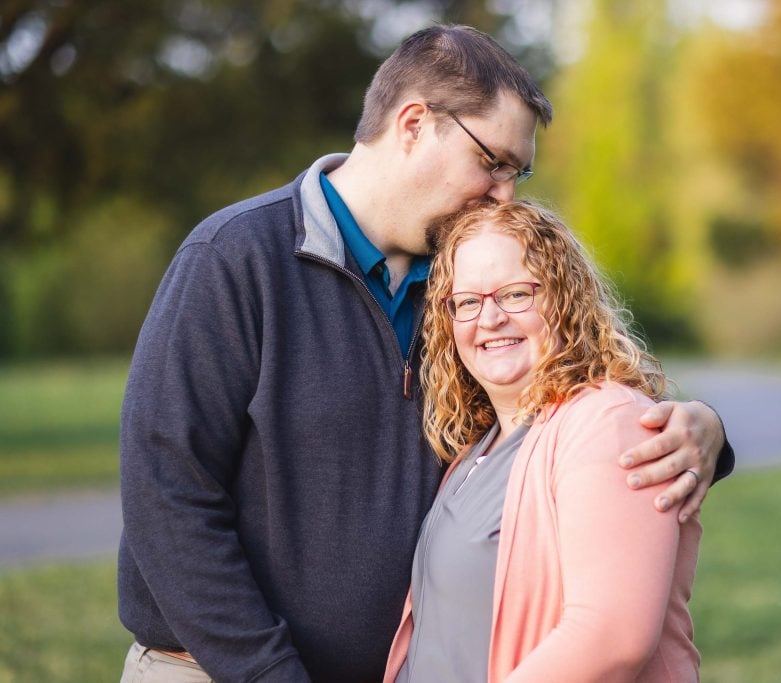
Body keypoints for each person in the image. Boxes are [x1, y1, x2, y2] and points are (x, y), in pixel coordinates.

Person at [118, 24, 733, 683]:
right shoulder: (237, 258)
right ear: (414, 123)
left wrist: (705, 430)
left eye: (517, 173)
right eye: (493, 161)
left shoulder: (464, 283)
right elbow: (169, 495)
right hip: (217, 672)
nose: (506, 193)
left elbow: (572, 395)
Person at [384, 200, 702, 682]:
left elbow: (611, 638)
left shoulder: (607, 422)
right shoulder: (479, 448)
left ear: (563, 299)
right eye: (468, 301)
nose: (489, 319)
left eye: (514, 294)